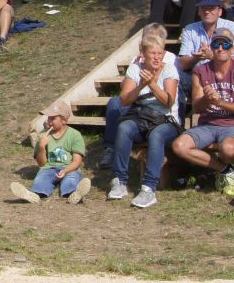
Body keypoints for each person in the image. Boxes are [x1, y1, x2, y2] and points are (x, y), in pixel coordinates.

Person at [104, 33, 179, 208]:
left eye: (160, 53)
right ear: (143, 54)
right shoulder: (135, 69)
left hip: (166, 120)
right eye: (152, 53)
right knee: (124, 128)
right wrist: (141, 85)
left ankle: (148, 188)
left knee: (156, 136)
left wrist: (152, 84)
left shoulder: (169, 69)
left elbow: (169, 101)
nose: (157, 57)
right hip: (141, 117)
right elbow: (124, 100)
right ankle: (120, 181)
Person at [98, 23, 174, 170]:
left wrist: (149, 82)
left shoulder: (169, 59)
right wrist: (138, 69)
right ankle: (111, 148)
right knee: (115, 102)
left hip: (155, 105)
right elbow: (124, 87)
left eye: (152, 39)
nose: (147, 43)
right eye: (145, 38)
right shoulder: (137, 60)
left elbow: (169, 89)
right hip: (136, 101)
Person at [170, 26, 234, 198]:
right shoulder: (200, 70)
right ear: (211, 47)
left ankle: (221, 171)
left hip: (231, 125)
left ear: (232, 48)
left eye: (226, 45)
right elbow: (198, 107)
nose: (221, 48)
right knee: (179, 146)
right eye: (217, 44)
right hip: (207, 124)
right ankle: (225, 170)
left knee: (228, 150)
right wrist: (207, 98)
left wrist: (219, 102)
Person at [11, 100, 90, 204]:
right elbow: (42, 164)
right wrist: (41, 147)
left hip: (69, 168)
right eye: (48, 118)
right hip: (49, 168)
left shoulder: (75, 135)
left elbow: (76, 161)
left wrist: (65, 171)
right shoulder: (43, 136)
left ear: (64, 120)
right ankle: (34, 195)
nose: (49, 121)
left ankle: (74, 194)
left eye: (53, 118)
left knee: (71, 179)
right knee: (42, 179)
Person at [175, 0, 233, 120]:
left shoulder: (231, 27)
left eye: (211, 8)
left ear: (219, 11)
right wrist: (197, 57)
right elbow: (183, 64)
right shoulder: (190, 30)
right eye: (203, 8)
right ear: (199, 12)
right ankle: (177, 123)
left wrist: (212, 56)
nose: (207, 11)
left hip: (227, 77)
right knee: (176, 77)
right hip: (198, 76)